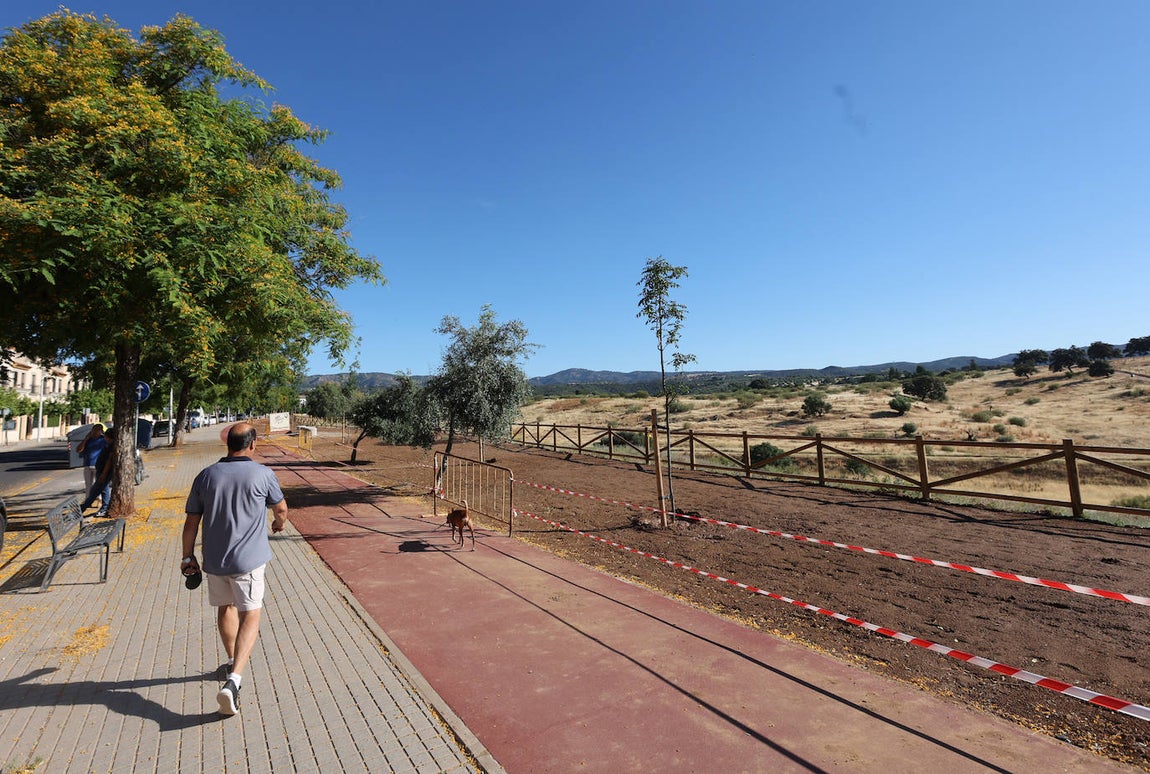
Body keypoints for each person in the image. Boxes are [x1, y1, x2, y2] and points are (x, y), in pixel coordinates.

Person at [181, 422, 287, 717]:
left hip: (214, 560)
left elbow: (191, 522)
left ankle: (231, 659)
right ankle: (234, 681)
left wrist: (186, 557)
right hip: (249, 561)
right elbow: (280, 509)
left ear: (228, 444)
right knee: (250, 613)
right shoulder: (263, 474)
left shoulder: (206, 475)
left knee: (225, 608)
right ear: (252, 444)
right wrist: (279, 524)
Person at [80, 433, 115, 517]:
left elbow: (109, 461)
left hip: (104, 472)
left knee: (95, 491)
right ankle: (85, 507)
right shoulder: (108, 445)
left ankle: (83, 508)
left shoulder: (110, 446)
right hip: (101, 470)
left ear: (107, 437)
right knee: (100, 489)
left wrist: (103, 473)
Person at [76, 423, 106, 510]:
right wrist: (86, 439)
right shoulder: (88, 440)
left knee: (98, 484)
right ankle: (88, 501)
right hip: (88, 464)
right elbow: (78, 449)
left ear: (101, 431)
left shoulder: (103, 440)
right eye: (94, 430)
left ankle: (99, 500)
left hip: (98, 465)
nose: (95, 432)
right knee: (88, 484)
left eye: (97, 430)